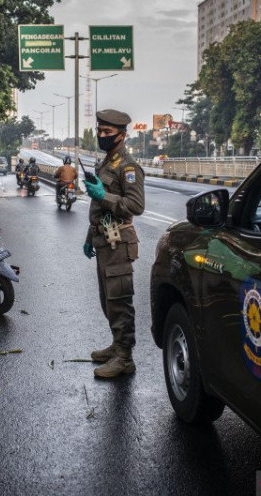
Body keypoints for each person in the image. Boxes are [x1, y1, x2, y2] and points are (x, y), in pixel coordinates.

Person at [82, 109, 145, 379]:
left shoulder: (127, 167)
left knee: (119, 300)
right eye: (100, 131)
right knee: (107, 300)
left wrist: (103, 194)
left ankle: (124, 357)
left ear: (122, 135)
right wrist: (89, 236)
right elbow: (100, 207)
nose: (101, 136)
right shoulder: (106, 163)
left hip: (119, 242)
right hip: (104, 239)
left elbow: (136, 205)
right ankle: (116, 345)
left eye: (107, 133)